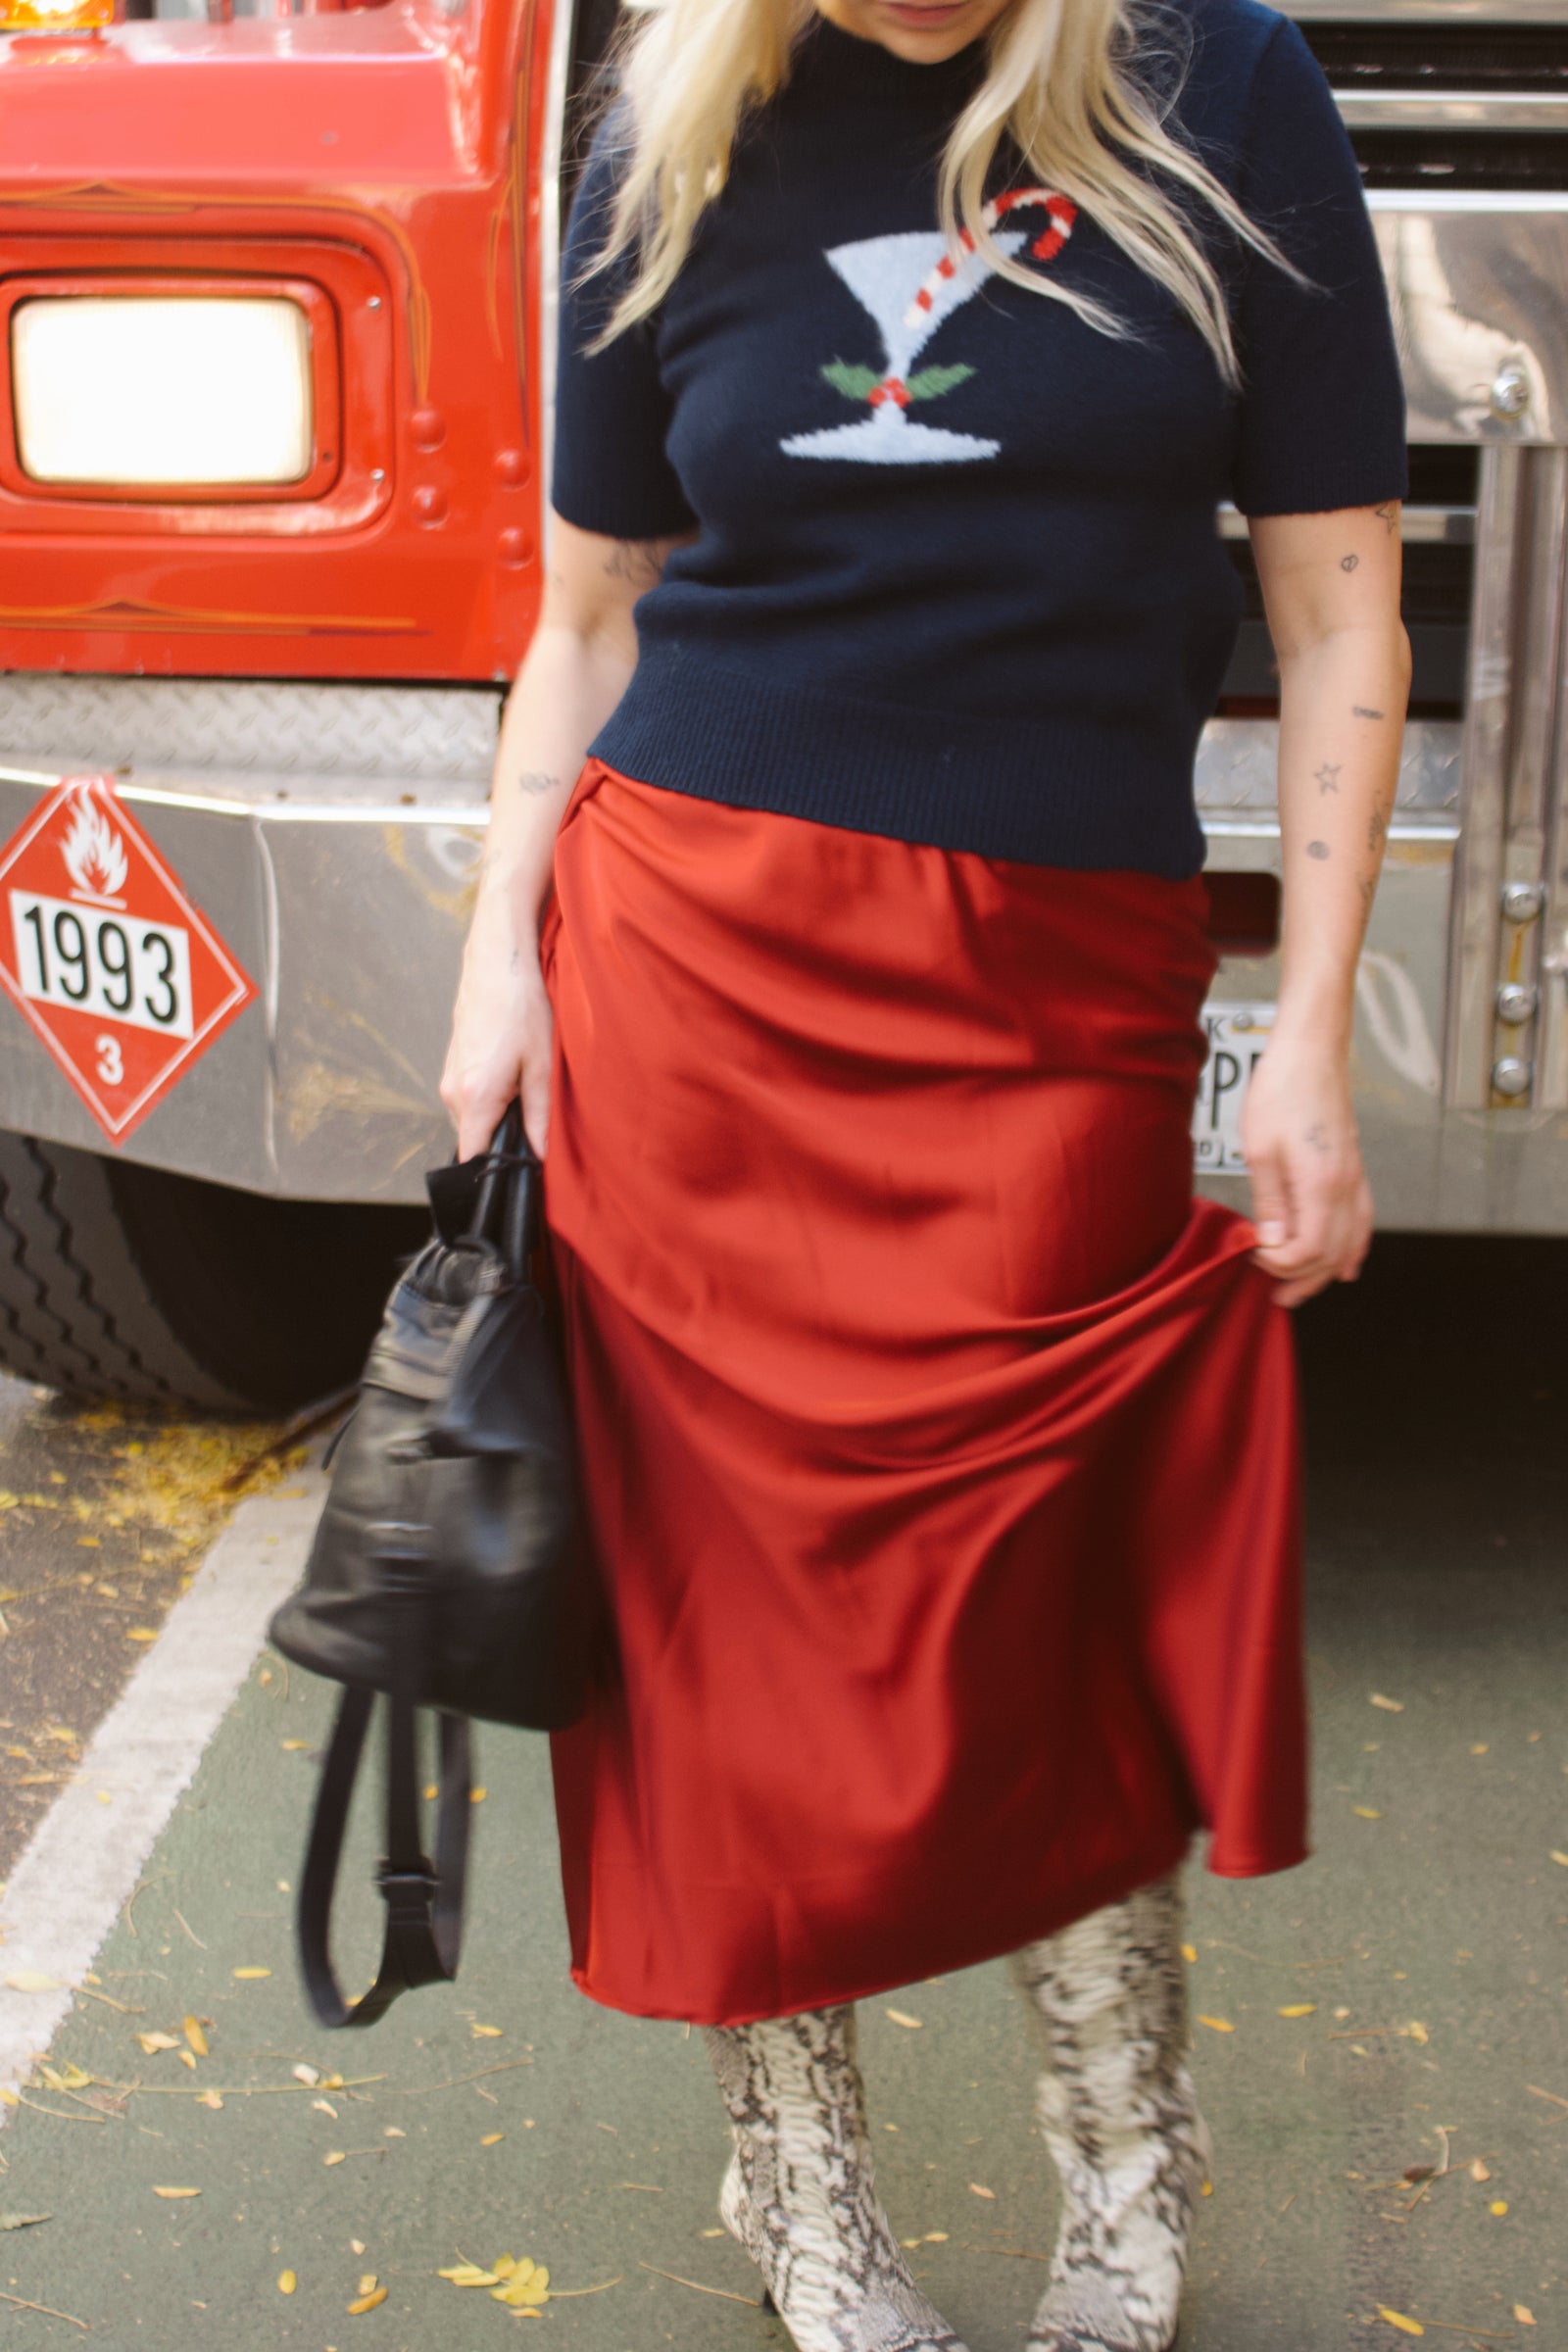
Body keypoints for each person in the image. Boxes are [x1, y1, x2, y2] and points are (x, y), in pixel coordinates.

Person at [441, 0, 1409, 2340]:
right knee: (728, 1615)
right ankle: (800, 2191)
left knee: (1050, 1586)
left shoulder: (1222, 84)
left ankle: (1123, 2156)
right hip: (694, 968)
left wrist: (1306, 1037)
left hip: (1053, 981)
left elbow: (1335, 600)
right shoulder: (665, 123)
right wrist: (495, 962)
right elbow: (587, 611)